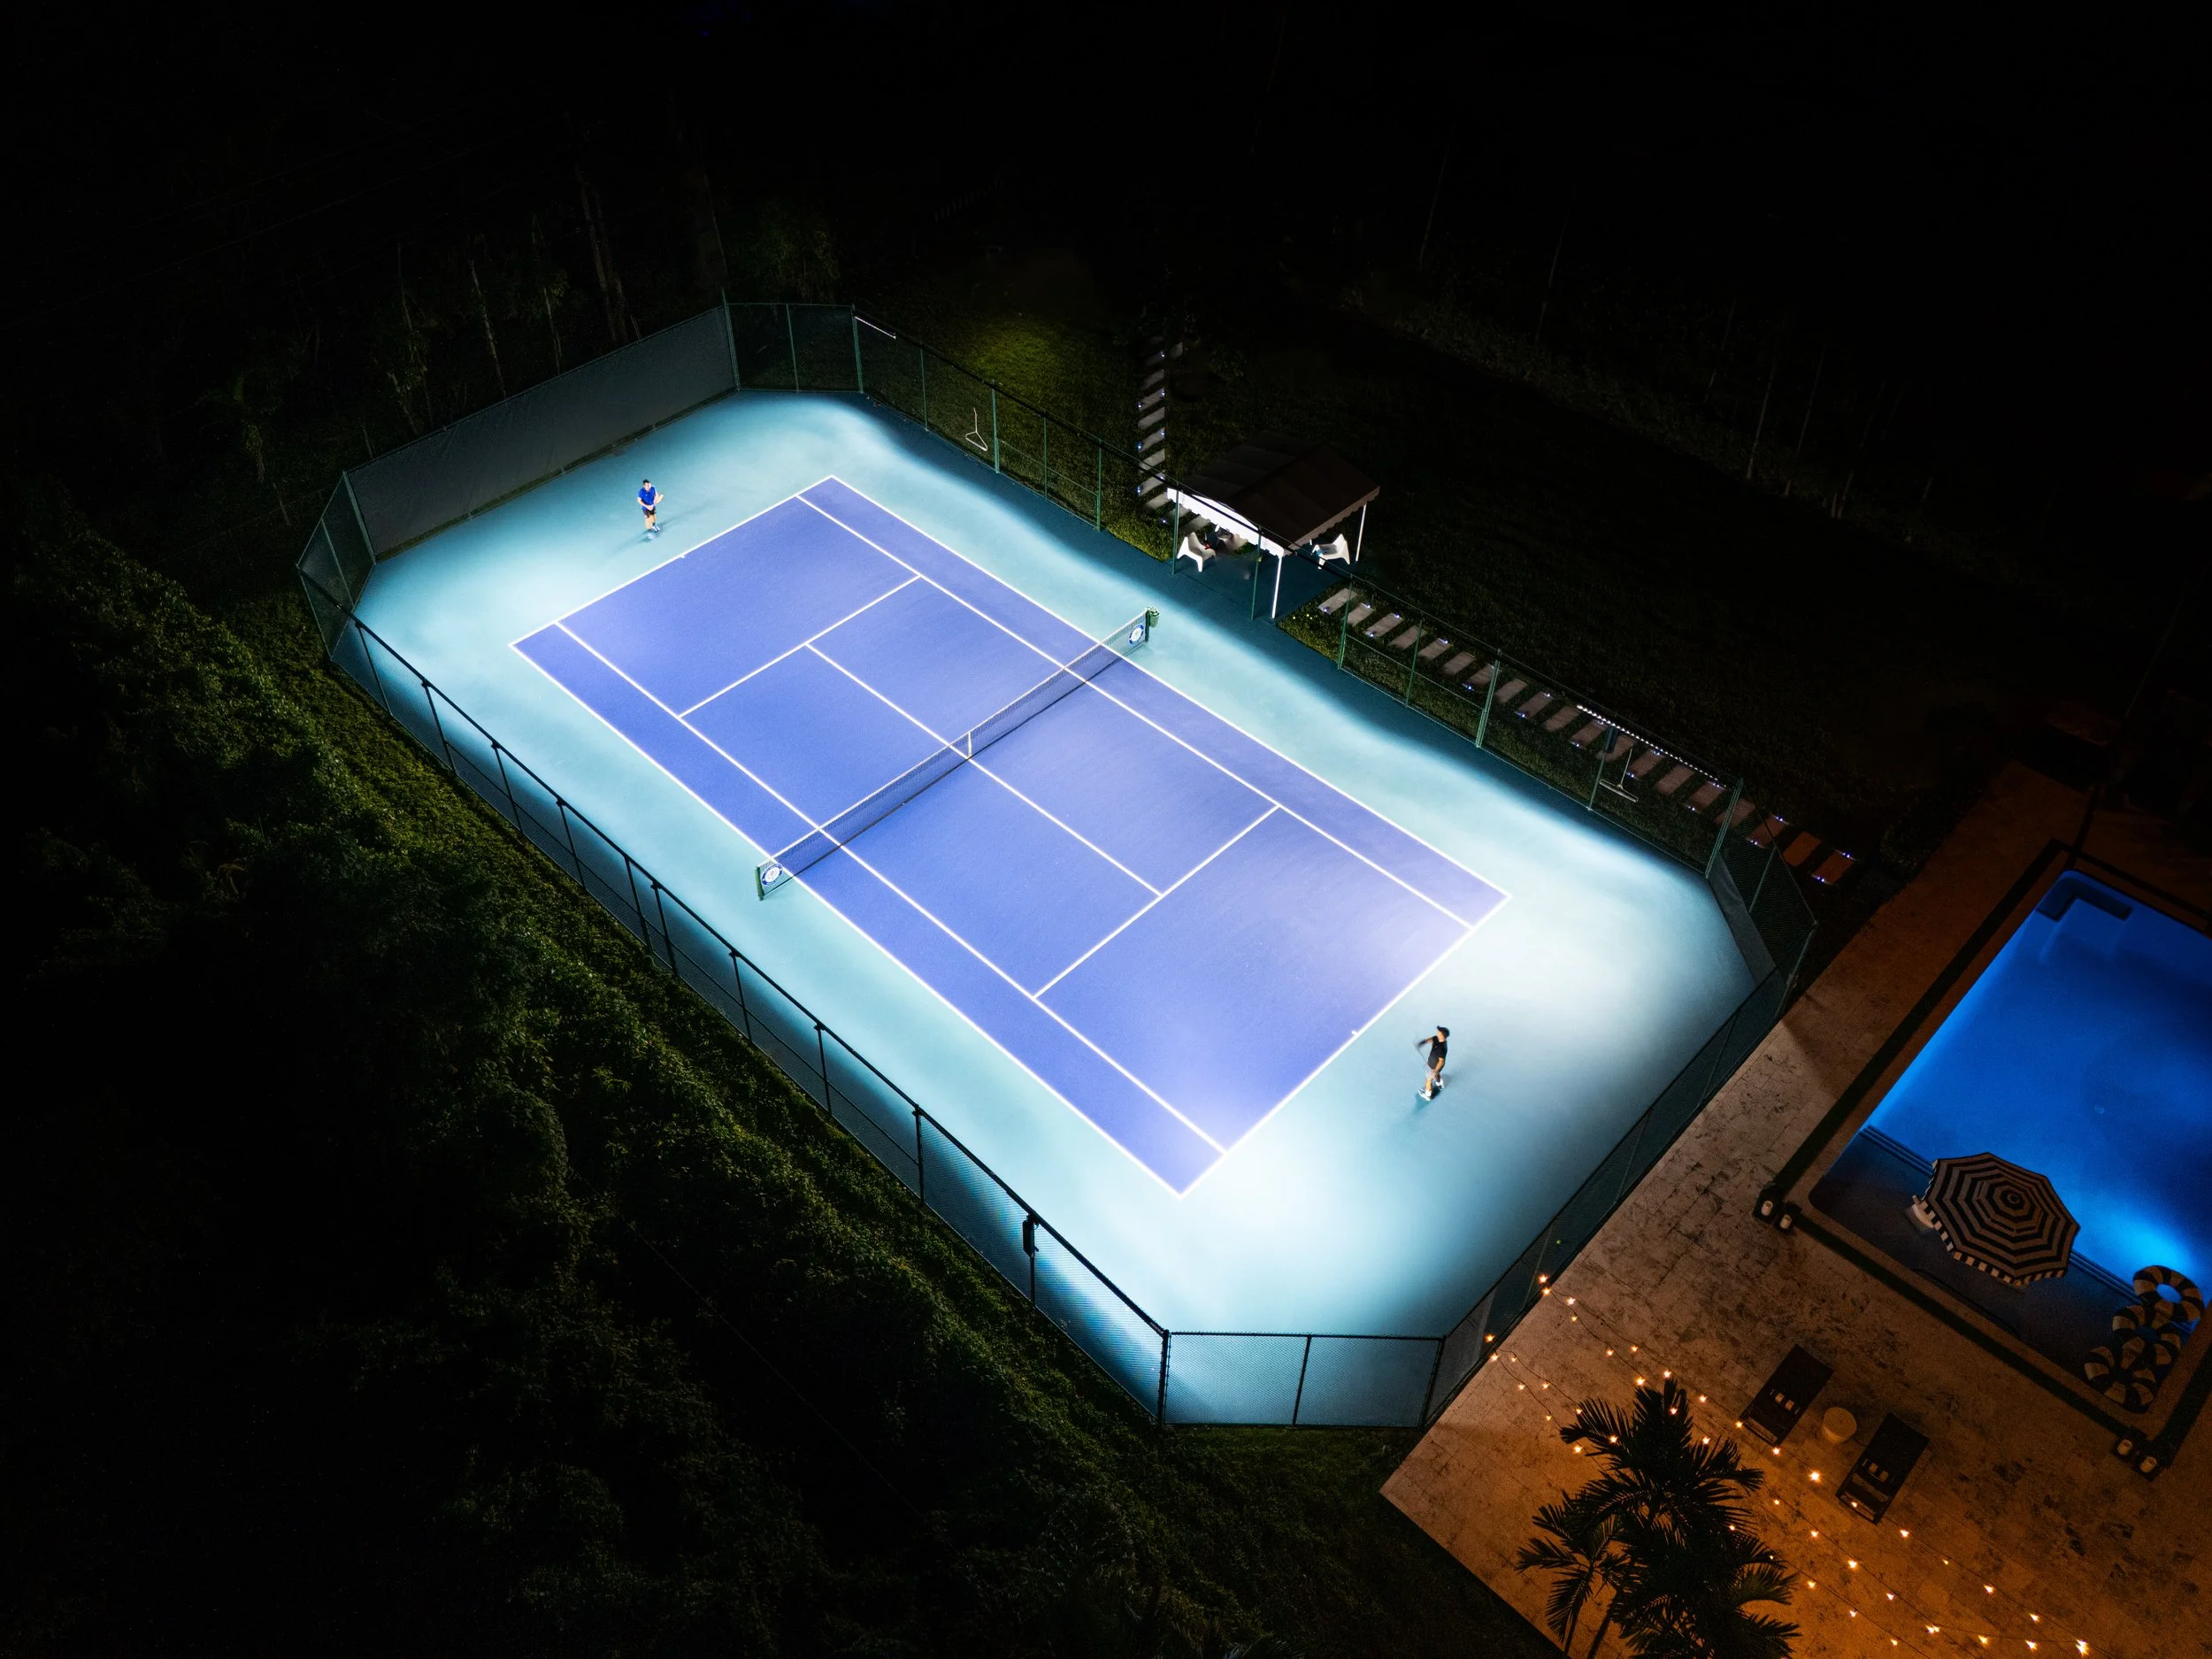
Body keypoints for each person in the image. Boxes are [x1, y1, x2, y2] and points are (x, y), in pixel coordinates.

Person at [1416, 1025, 1449, 1101]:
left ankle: (1427, 1095)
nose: (1437, 1032)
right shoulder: (1437, 1038)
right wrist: (1421, 1043)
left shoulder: (1442, 1048)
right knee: (1437, 1075)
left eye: (1439, 1032)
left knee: (1428, 1080)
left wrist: (1435, 1071)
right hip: (1434, 1066)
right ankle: (1439, 1084)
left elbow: (1441, 1062)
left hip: (1433, 1067)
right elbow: (1430, 1039)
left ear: (1442, 1035)